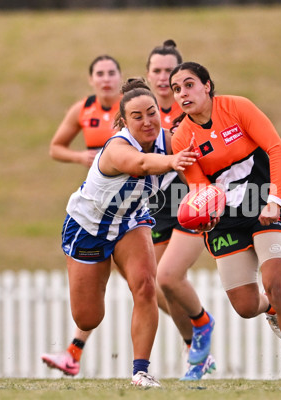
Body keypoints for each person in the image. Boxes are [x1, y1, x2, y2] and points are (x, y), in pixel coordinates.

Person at [170, 62, 281, 390]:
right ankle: (270, 308)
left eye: (189, 85)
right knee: (246, 306)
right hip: (228, 221)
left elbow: (277, 149)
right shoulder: (182, 139)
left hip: (266, 207)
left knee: (276, 281)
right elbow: (199, 189)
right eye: (177, 89)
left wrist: (275, 199)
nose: (183, 93)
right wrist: (202, 215)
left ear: (207, 85)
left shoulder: (237, 107)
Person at [59, 78, 197, 387]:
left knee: (146, 286)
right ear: (123, 121)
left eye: (152, 112)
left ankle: (141, 372)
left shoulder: (171, 139)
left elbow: (204, 161)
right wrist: (174, 161)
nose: (147, 121)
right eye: (137, 116)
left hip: (131, 221)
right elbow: (142, 164)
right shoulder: (117, 149)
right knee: (88, 318)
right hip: (87, 227)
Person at [42, 54, 123, 377]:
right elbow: (55, 148)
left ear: (121, 77)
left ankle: (195, 339)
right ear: (91, 80)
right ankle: (73, 354)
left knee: (153, 284)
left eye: (111, 73)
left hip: (134, 204)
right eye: (100, 74)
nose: (106, 79)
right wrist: (80, 157)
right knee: (97, 283)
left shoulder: (131, 109)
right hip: (97, 207)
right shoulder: (83, 109)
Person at [145, 40, 217, 381]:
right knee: (161, 286)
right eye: (156, 71)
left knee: (169, 277)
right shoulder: (141, 113)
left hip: (192, 202)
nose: (163, 78)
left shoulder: (193, 107)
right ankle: (195, 349)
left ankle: (200, 332)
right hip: (155, 207)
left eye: (169, 71)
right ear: (148, 75)